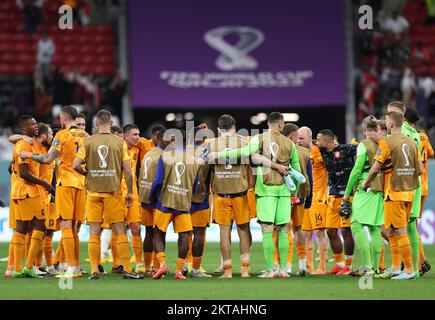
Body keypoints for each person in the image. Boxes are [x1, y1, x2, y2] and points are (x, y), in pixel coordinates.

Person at [211, 112, 302, 278]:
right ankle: (282, 269)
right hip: (283, 191)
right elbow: (298, 172)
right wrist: (294, 191)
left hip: (265, 190)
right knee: (282, 229)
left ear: (268, 123)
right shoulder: (290, 143)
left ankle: (270, 269)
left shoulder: (258, 139)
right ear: (281, 125)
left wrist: (219, 155)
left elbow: (244, 152)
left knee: (267, 230)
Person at [20, 106, 89, 279]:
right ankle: (76, 267)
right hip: (82, 185)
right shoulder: (86, 136)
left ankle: (71, 269)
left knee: (66, 225)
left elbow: (47, 158)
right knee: (74, 228)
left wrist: (28, 155)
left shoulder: (62, 135)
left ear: (64, 118)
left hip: (65, 183)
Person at [73, 109, 142, 280]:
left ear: (96, 123)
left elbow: (75, 164)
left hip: (93, 193)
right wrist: (131, 193)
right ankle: (127, 269)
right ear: (111, 123)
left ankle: (94, 271)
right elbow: (127, 171)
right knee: (120, 231)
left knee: (94, 233)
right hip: (113, 193)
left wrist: (87, 174)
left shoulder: (88, 141)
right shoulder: (120, 143)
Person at [363, 111, 423, 280]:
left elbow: (375, 167)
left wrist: (366, 183)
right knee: (389, 229)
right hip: (409, 191)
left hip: (394, 191)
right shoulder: (411, 142)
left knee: (400, 231)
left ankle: (410, 270)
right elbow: (420, 169)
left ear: (390, 124)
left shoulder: (387, 142)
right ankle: (396, 268)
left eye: (387, 122)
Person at [150, 129, 201, 280]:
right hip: (183, 203)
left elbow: (158, 180)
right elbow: (195, 186)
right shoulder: (193, 160)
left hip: (165, 201)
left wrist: (152, 195)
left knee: (158, 232)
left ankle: (162, 264)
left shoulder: (165, 156)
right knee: (184, 236)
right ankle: (179, 270)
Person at [206, 115, 253, 278]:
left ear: (218, 129)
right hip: (240, 193)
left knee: (224, 233)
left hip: (221, 195)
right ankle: (245, 270)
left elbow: (207, 170)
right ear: (234, 127)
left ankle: (227, 271)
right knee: (243, 230)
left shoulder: (212, 144)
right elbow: (251, 168)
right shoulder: (244, 143)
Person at [11, 116, 51, 278]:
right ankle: (28, 266)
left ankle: (17, 270)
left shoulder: (25, 143)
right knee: (40, 226)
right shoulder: (25, 143)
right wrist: (44, 183)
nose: (36, 126)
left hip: (19, 191)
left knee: (21, 229)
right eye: (32, 124)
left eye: (36, 124)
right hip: (29, 191)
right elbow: (23, 172)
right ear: (23, 127)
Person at [342, 116, 384, 276]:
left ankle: (367, 265)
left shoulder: (363, 145)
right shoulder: (383, 144)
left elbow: (356, 171)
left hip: (365, 188)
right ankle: (375, 267)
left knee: (356, 224)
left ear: (365, 130)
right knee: (374, 228)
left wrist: (347, 194)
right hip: (380, 189)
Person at [387, 102, 422, 275]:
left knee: (402, 227)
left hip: (401, 185)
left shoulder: (401, 135)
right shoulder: (416, 134)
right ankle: (413, 266)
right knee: (410, 225)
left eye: (390, 113)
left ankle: (410, 268)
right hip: (414, 182)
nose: (387, 116)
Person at [317, 129, 356, 275]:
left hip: (347, 196)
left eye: (319, 139)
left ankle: (349, 266)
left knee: (346, 231)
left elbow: (365, 150)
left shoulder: (347, 149)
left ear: (328, 140)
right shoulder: (322, 152)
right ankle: (339, 264)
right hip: (332, 196)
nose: (317, 142)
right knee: (331, 231)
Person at [405, 107, 433, 275]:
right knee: (412, 225)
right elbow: (430, 153)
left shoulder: (408, 136)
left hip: (413, 183)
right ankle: (419, 261)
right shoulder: (423, 136)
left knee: (410, 225)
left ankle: (420, 262)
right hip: (424, 184)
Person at [281, 123, 313, 276]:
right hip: (301, 195)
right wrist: (309, 197)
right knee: (298, 229)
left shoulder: (281, 150)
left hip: (284, 195)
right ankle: (301, 263)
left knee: (284, 229)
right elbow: (309, 177)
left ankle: (286, 265)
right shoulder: (305, 152)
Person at [298, 126, 330, 274]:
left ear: (310, 138)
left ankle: (322, 267)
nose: (299, 141)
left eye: (302, 138)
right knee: (307, 233)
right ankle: (310, 267)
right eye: (297, 138)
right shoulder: (298, 153)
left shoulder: (319, 152)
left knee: (320, 233)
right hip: (306, 199)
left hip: (318, 199)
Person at [138, 129, 168, 277]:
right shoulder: (164, 156)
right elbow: (159, 181)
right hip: (156, 199)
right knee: (159, 233)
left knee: (148, 232)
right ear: (163, 140)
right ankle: (157, 267)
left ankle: (147, 266)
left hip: (144, 198)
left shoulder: (149, 153)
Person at [186, 126, 212, 277]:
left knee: (184, 233)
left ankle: (183, 265)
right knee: (199, 233)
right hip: (201, 197)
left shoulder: (182, 151)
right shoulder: (208, 152)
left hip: (182, 197)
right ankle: (195, 268)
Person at [121, 124, 144, 273]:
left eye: (138, 134)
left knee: (136, 228)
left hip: (133, 193)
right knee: (118, 229)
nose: (137, 137)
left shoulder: (138, 147)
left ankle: (140, 263)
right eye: (134, 134)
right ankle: (120, 264)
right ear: (125, 135)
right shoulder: (118, 148)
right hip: (117, 193)